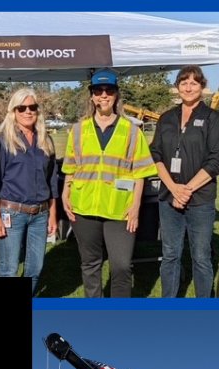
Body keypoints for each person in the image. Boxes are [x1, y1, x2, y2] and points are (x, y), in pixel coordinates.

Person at [62, 69, 158, 297]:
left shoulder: (132, 132)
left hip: (120, 210)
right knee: (90, 264)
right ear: (92, 95)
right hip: (84, 208)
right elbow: (70, 169)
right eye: (98, 90)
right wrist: (65, 194)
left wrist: (135, 208)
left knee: (122, 266)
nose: (103, 95)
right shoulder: (77, 130)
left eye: (108, 90)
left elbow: (141, 174)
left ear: (116, 95)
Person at [150, 66, 219, 298]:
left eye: (194, 83)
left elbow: (216, 162)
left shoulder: (214, 119)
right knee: (171, 254)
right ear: (177, 87)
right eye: (183, 82)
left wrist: (186, 190)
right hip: (168, 198)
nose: (188, 87)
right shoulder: (166, 118)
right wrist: (173, 189)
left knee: (201, 256)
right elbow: (155, 155)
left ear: (202, 87)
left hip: (200, 200)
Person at [0, 87, 58, 291]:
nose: (28, 112)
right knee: (9, 269)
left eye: (32, 107)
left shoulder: (46, 140)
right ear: (14, 112)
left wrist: (53, 214)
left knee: (35, 268)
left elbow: (51, 181)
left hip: (40, 214)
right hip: (11, 212)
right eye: (22, 108)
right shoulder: (3, 140)